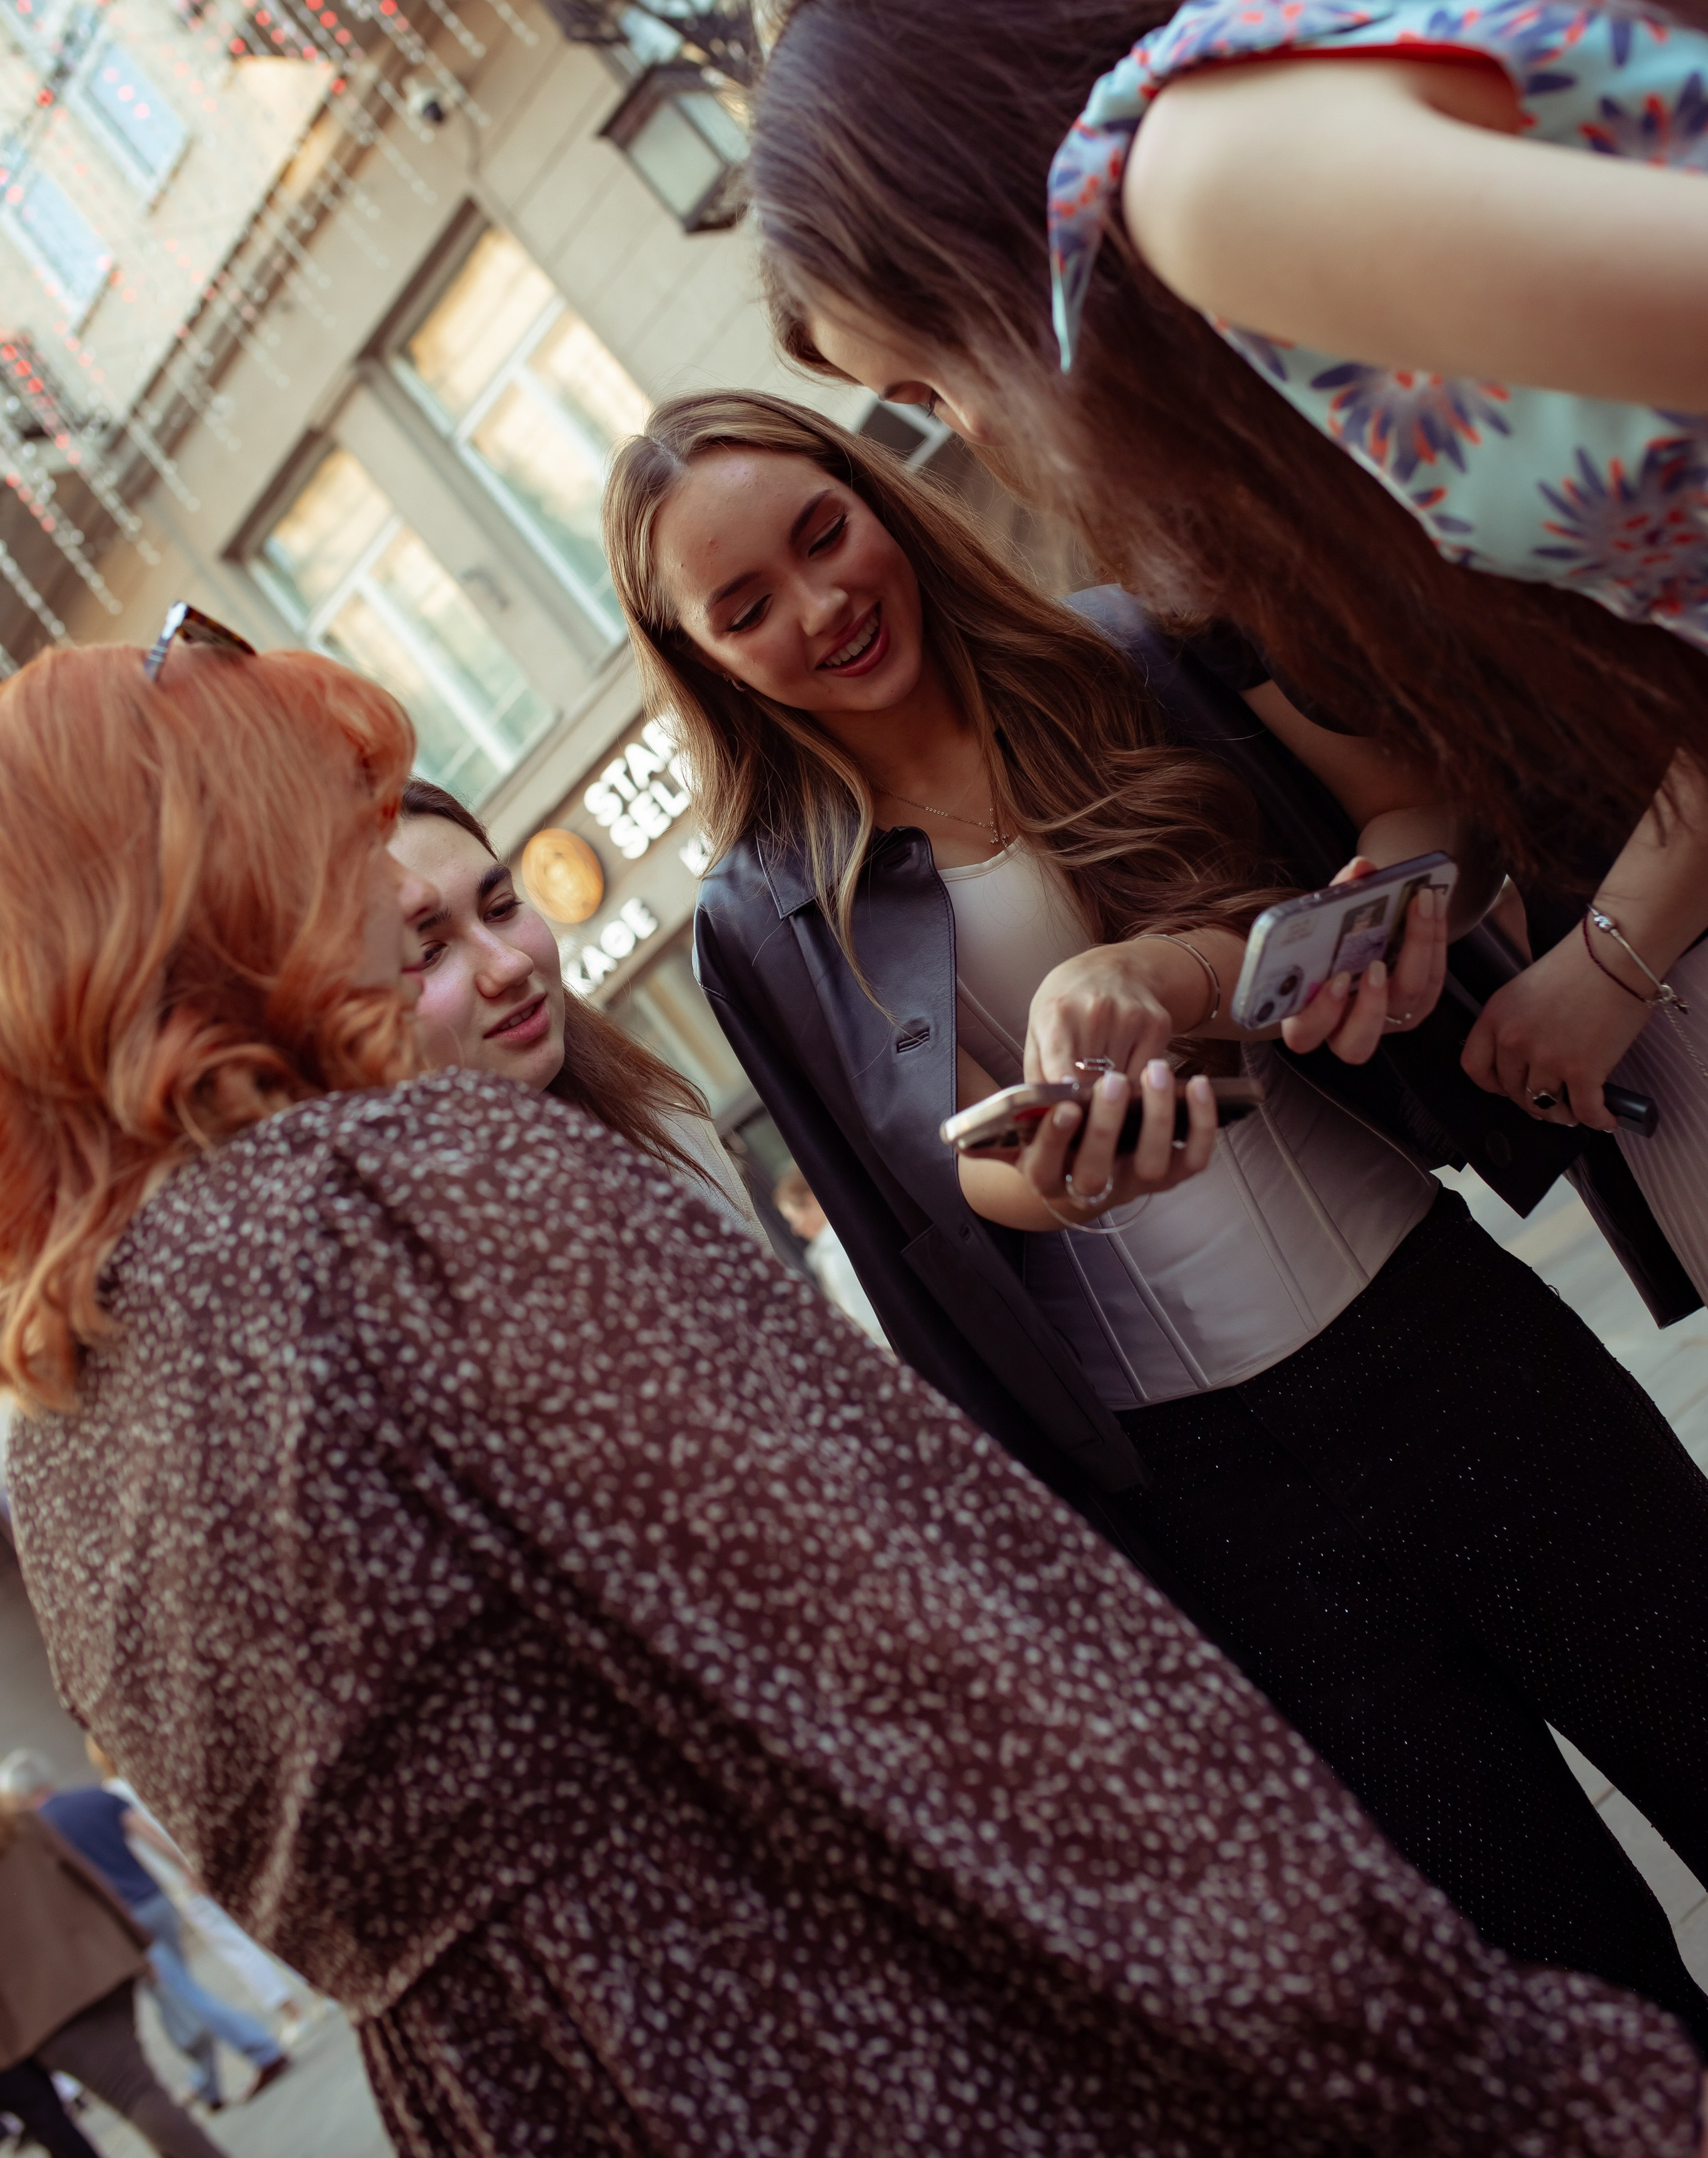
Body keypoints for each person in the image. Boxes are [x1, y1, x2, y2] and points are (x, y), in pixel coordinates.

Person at [2, 642, 1704, 2155]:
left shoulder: (63, 1416)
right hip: (869, 2036)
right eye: (323, 831)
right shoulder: (405, 1188)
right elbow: (959, 1673)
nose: (377, 895)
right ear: (208, 895)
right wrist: (1476, 2060)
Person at [604, 385, 1708, 2045]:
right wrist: (1046, 1171)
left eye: (820, 534)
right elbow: (919, 1218)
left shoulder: (1119, 651)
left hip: (1446, 1333)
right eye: (743, 605)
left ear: (877, 499)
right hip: (1218, 1503)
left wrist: (1263, 949)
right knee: (1552, 1991)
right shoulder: (752, 916)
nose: (816, 608)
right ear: (695, 655)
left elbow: (1411, 819)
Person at [743, 0, 1708, 1271]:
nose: (958, 420)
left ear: (955, 235)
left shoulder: (1204, 187)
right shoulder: (1229, 128)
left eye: (919, 373)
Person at [390, 776, 757, 1230]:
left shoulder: (658, 1118)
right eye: (428, 953)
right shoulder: (389, 1265)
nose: (510, 964)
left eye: (501, 908)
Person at [0, 1754, 288, 2111]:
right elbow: (146, 1832)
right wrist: (186, 1866)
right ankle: (208, 2085)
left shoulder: (36, 1829)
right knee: (177, 1995)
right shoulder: (95, 1797)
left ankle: (263, 2050)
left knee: (183, 1994)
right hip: (157, 1903)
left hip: (121, 1920)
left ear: (21, 1793)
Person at [0, 1790, 223, 2158]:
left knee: (136, 2093)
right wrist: (137, 1944)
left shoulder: (24, 1823)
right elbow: (90, 1880)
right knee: (138, 2088)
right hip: (99, 1968)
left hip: (41, 2011)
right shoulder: (21, 1823)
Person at [773, 1166, 887, 1346]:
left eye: (794, 1218)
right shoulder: (847, 1237)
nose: (795, 1229)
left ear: (811, 1201)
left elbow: (867, 1324)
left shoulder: (834, 1255)